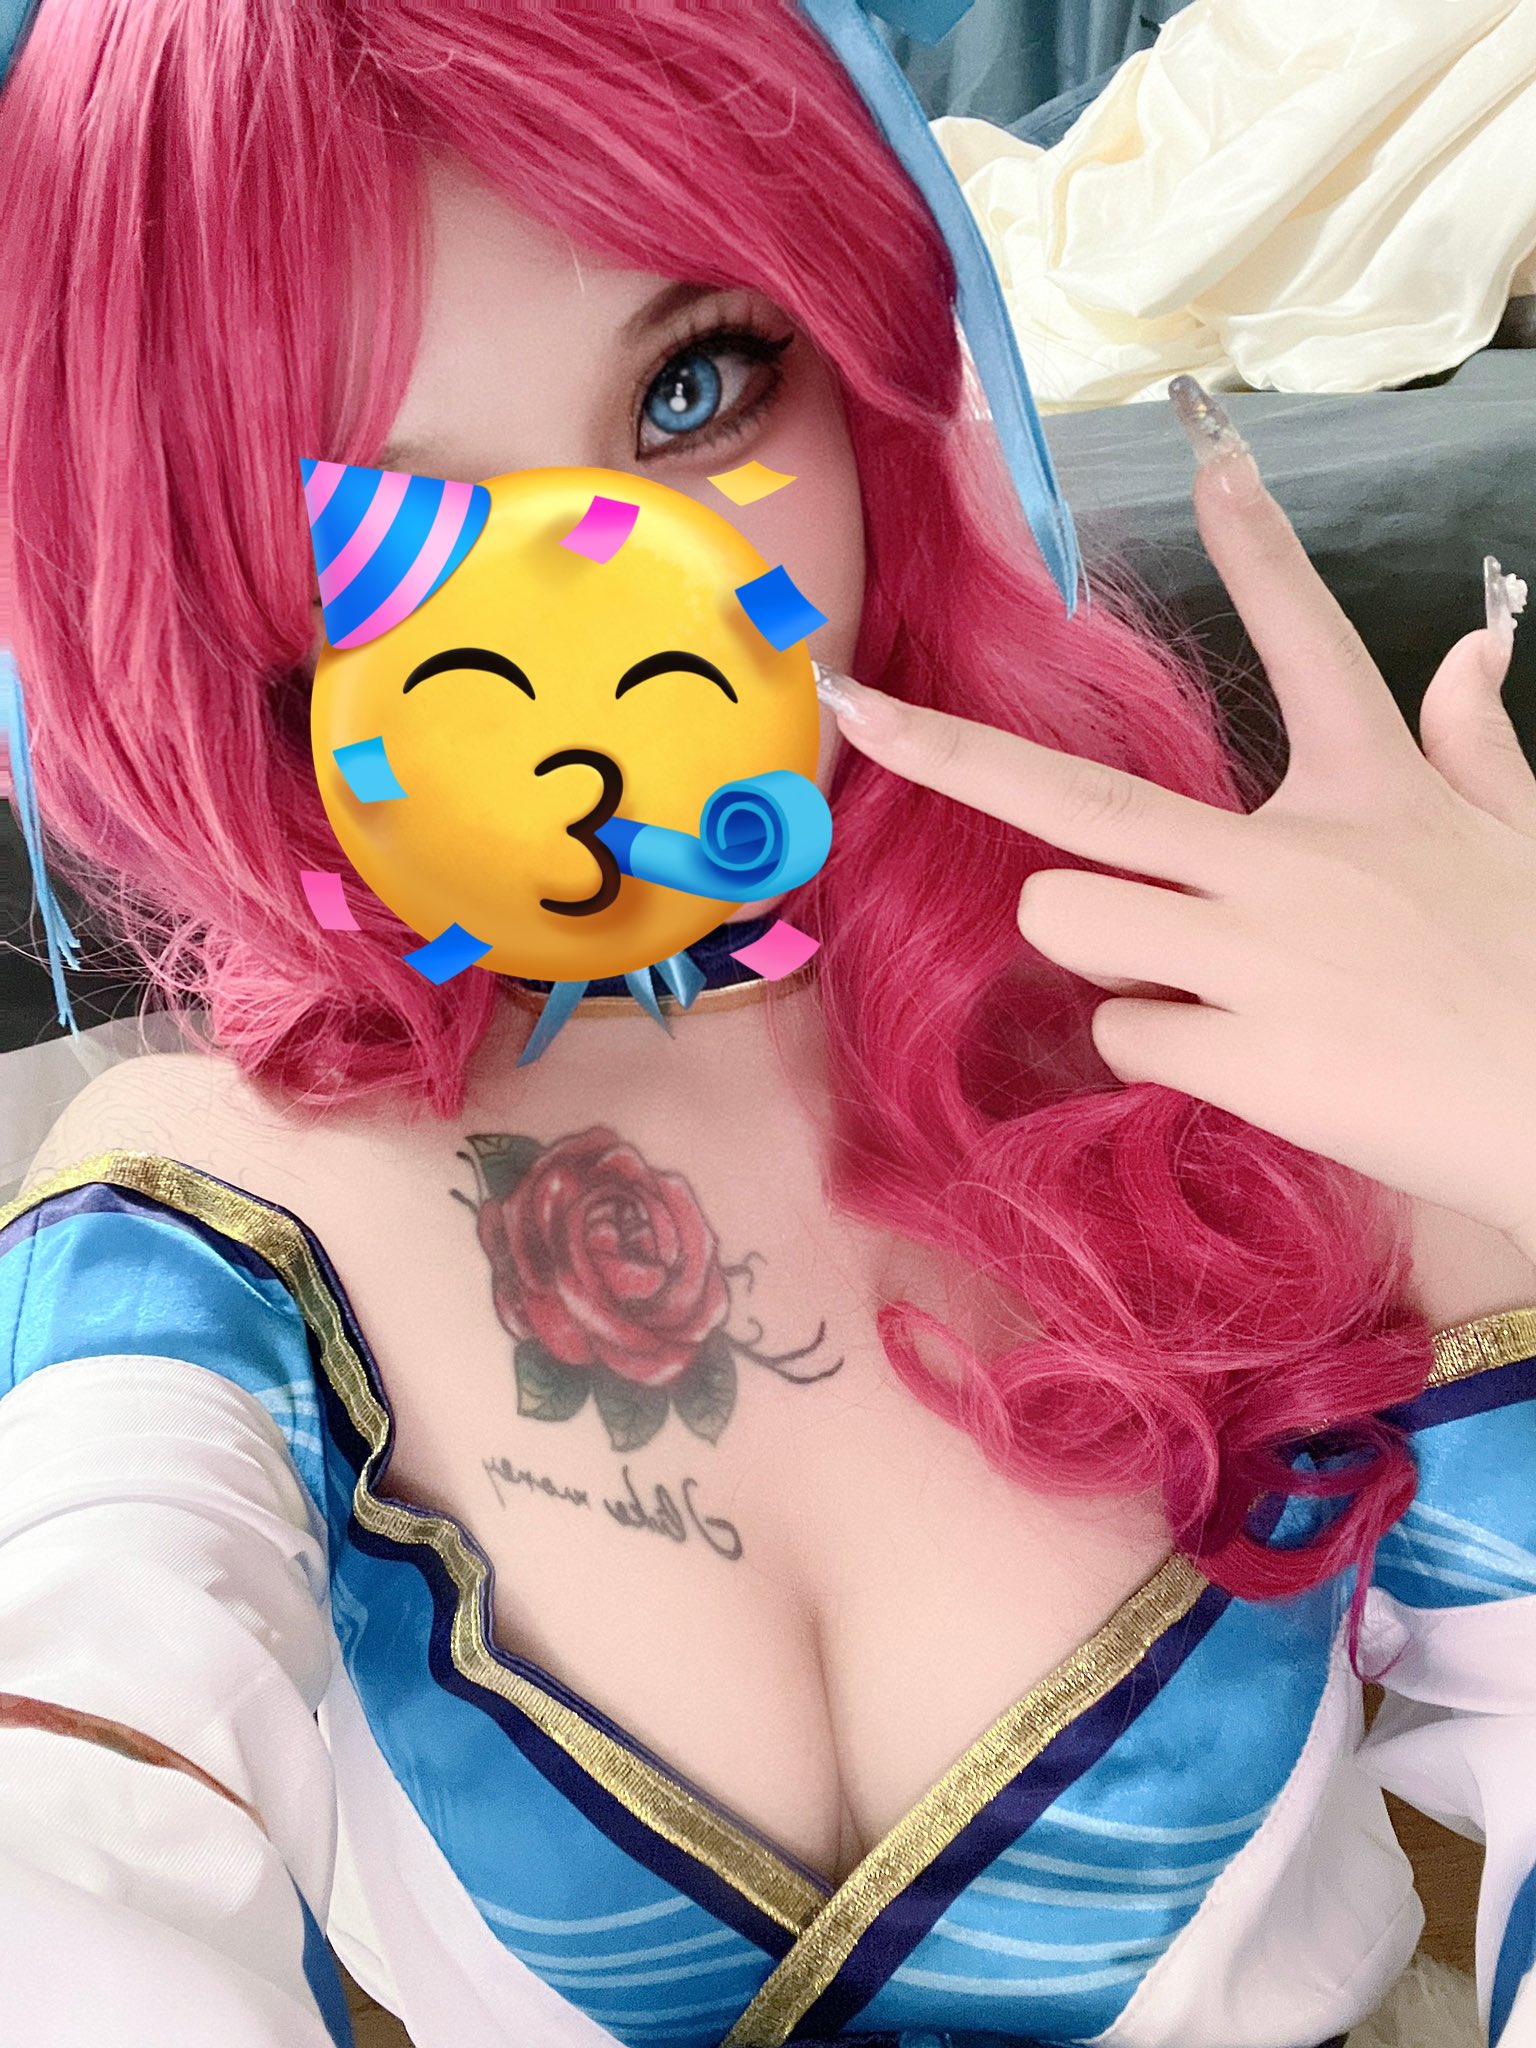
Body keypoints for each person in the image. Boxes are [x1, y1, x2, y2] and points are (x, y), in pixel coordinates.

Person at [2, 5, 1536, 2046]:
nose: (610, 615)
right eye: (377, 521)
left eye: (695, 388)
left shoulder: (1259, 1031)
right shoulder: (201, 1221)